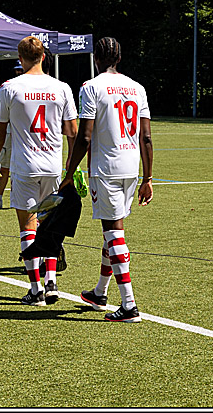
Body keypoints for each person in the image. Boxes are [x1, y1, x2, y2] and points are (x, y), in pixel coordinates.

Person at [59, 37, 153, 323]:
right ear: (119, 58)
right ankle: (100, 292)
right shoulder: (138, 88)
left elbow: (85, 136)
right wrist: (148, 177)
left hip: (106, 168)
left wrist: (69, 170)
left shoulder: (91, 87)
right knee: (112, 228)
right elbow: (146, 136)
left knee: (113, 233)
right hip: (131, 167)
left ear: (96, 58)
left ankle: (129, 305)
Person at [0, 36, 77, 306]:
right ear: (43, 56)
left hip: (24, 164)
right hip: (52, 165)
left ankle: (35, 288)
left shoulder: (10, 88)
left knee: (27, 226)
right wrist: (72, 169)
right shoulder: (61, 88)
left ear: (20, 57)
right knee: (50, 224)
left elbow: (0, 129)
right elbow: (72, 131)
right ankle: (51, 281)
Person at [0, 61, 24, 211]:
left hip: (23, 134)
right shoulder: (9, 88)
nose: (19, 73)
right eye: (17, 70)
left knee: (20, 168)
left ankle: (18, 198)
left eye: (20, 70)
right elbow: (0, 117)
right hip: (8, 132)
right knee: (5, 168)